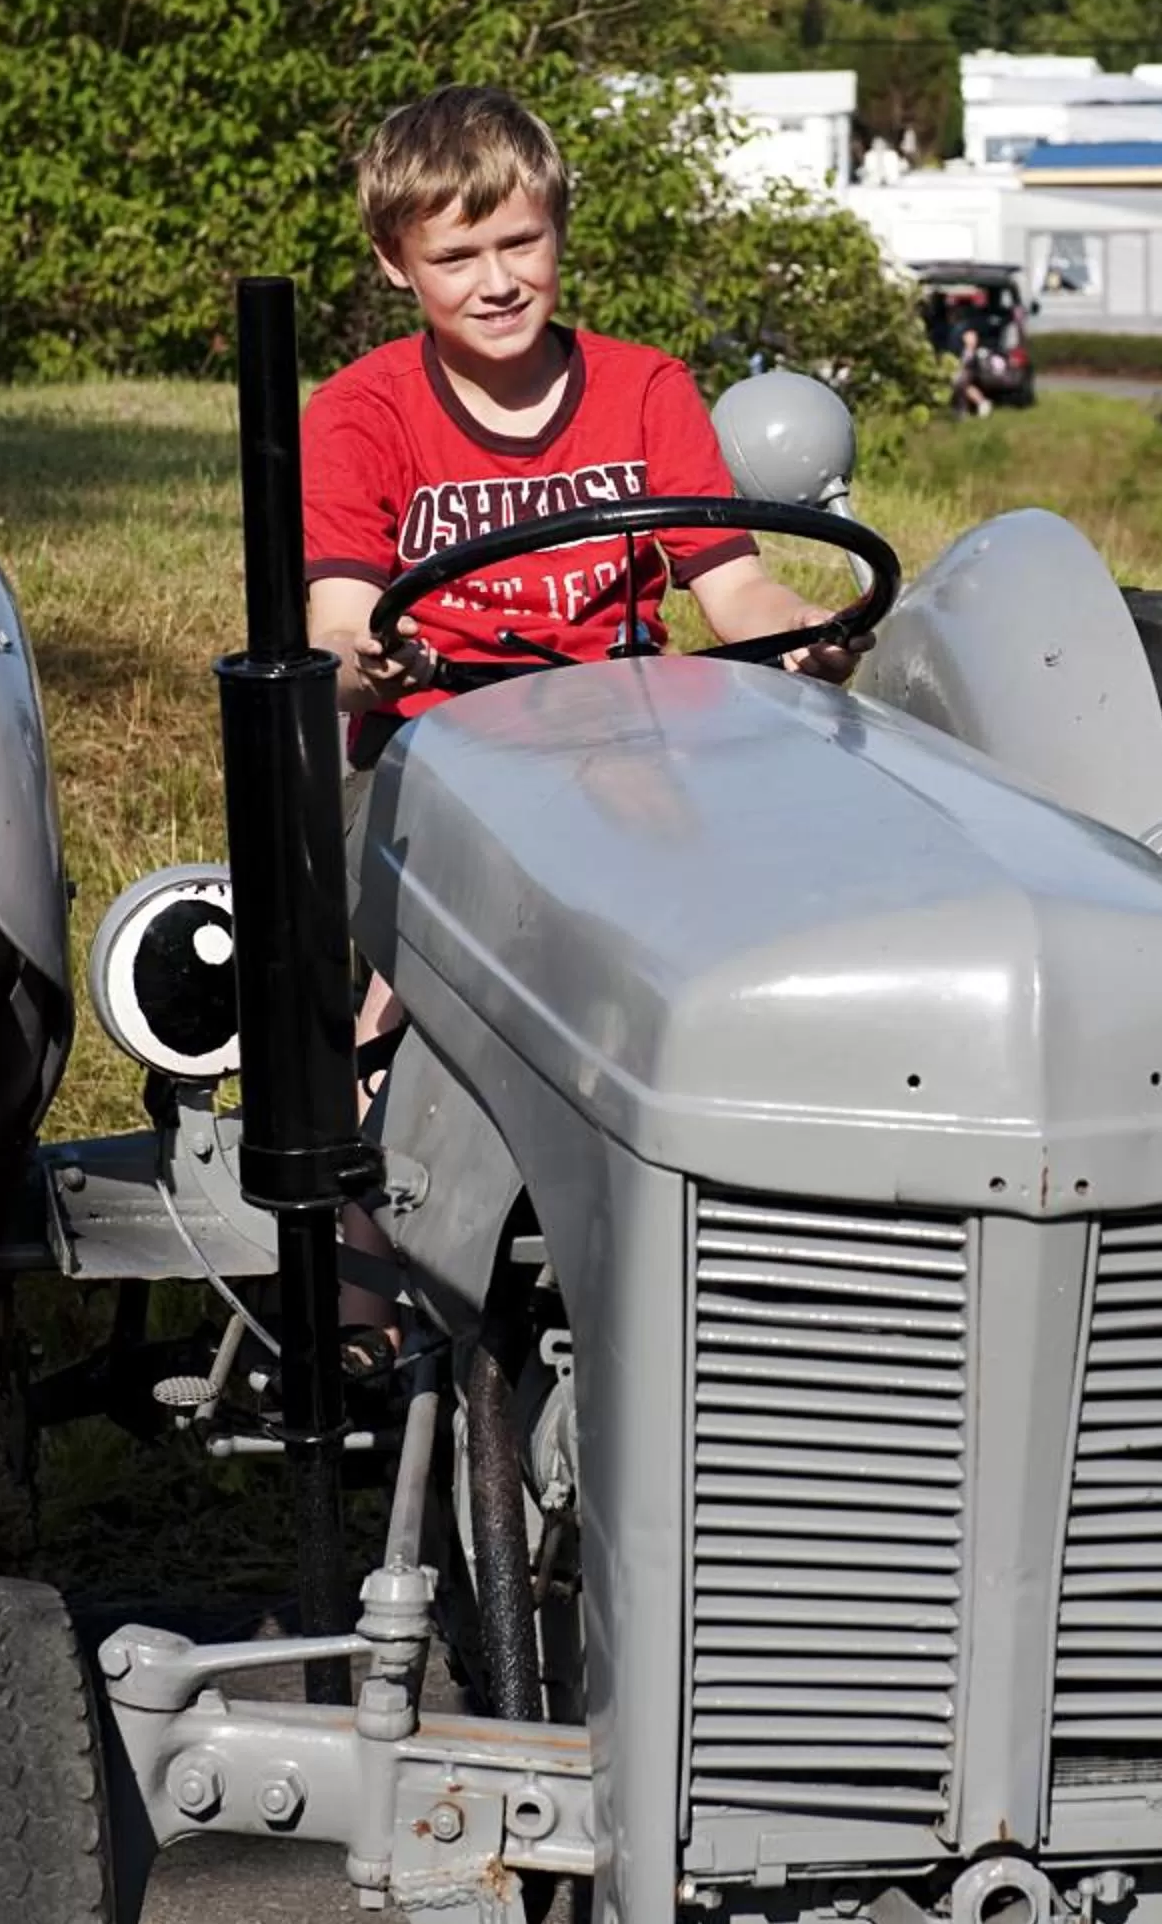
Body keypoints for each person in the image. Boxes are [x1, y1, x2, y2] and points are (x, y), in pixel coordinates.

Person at [303, 85, 865, 1311]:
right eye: (455, 256)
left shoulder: (644, 390)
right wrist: (375, 659)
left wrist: (807, 634)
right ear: (398, 267)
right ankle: (369, 1247)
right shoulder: (363, 412)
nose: (496, 281)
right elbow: (338, 630)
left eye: (520, 243)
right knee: (419, 958)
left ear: (559, 231)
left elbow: (736, 589)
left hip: (629, 744)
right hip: (430, 747)